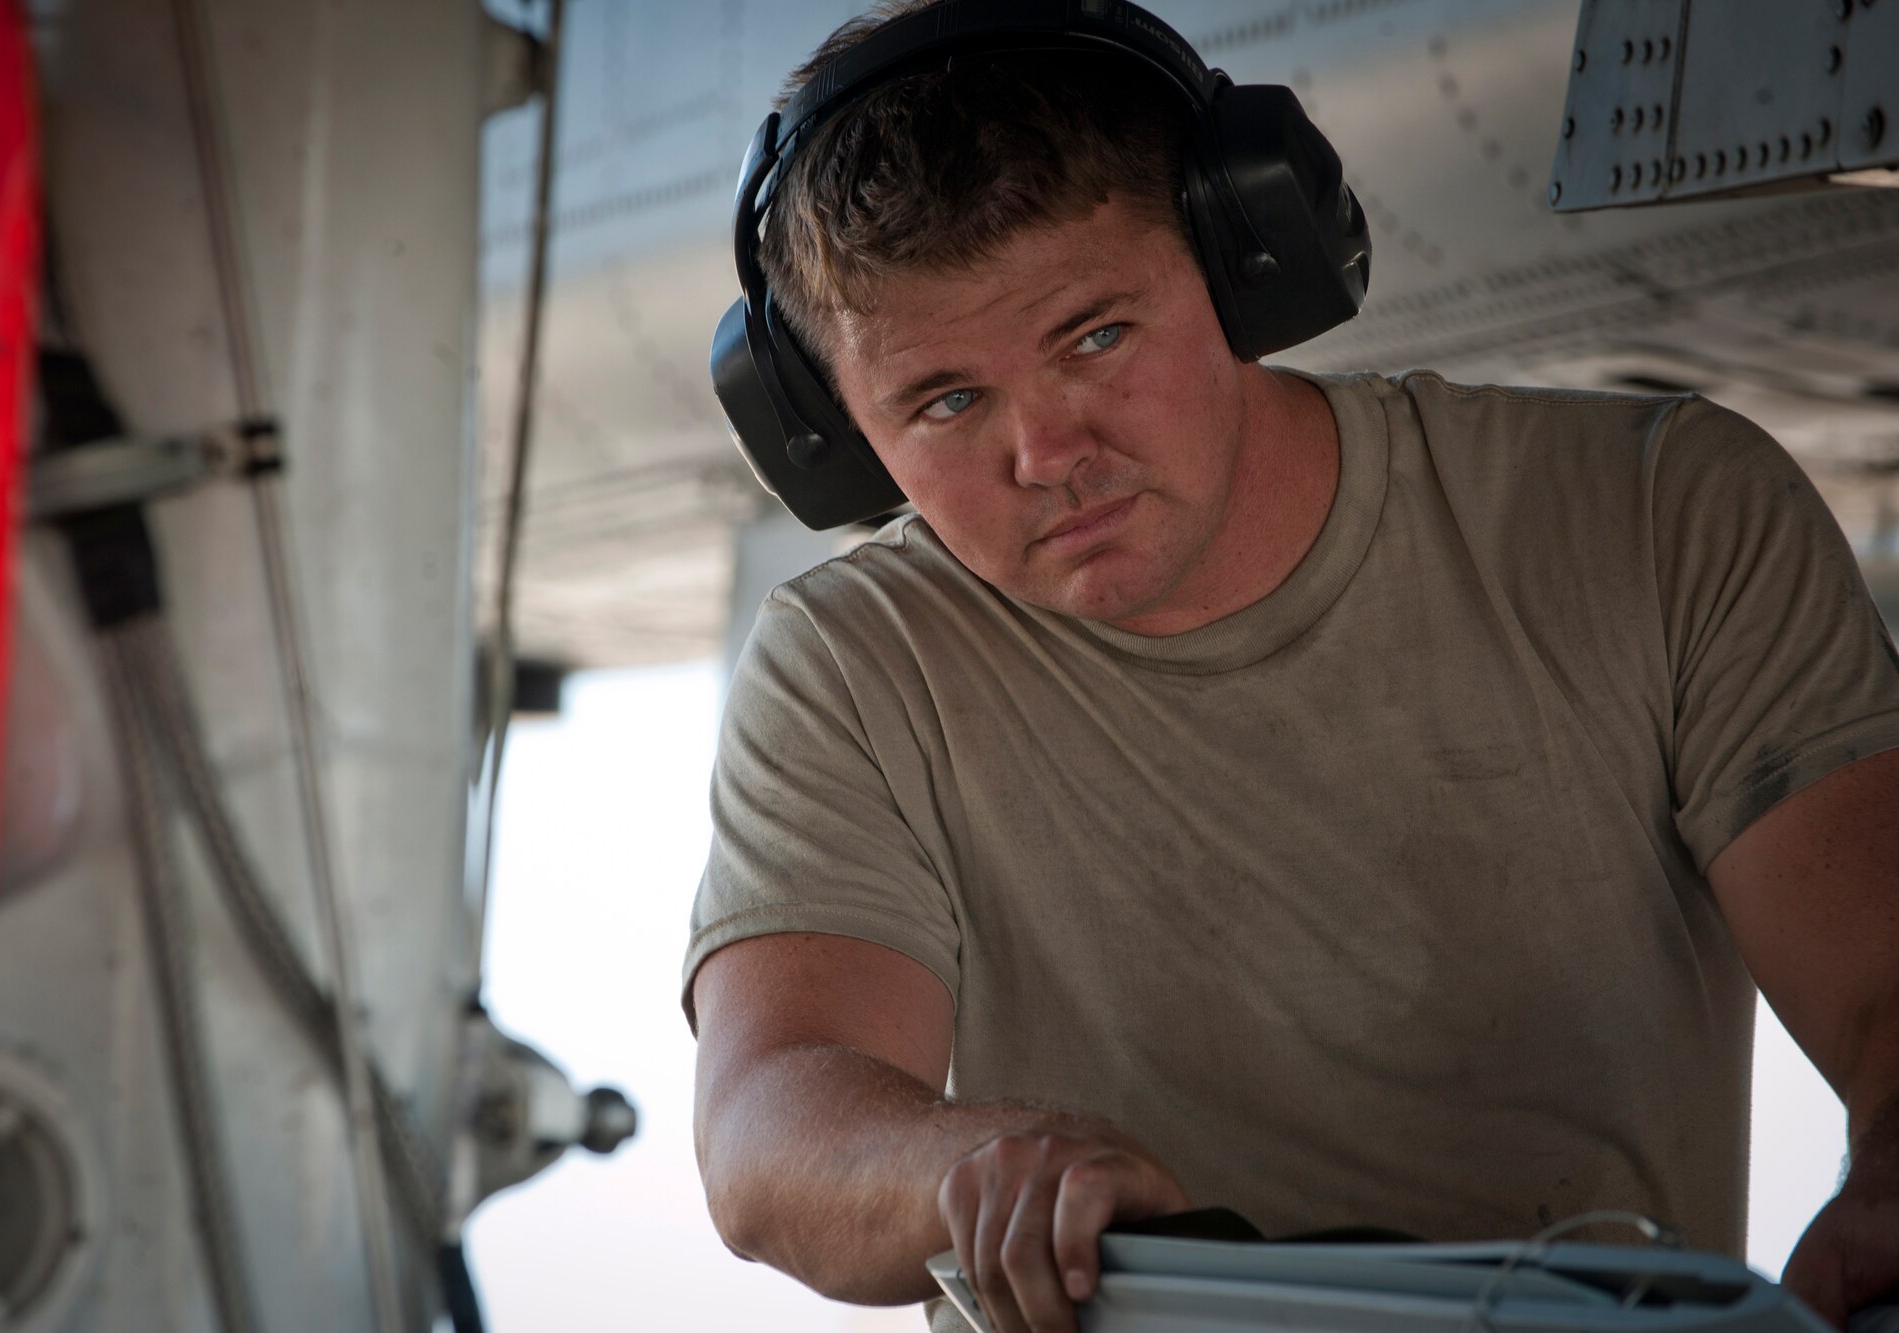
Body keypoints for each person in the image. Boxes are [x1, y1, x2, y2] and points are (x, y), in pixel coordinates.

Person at [683, 4, 1899, 1332]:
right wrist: (970, 1169)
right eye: (947, 401)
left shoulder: (1661, 515)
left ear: (1247, 258)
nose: (1046, 452)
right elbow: (771, 1122)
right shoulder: (856, 665)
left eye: (1097, 336)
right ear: (835, 439)